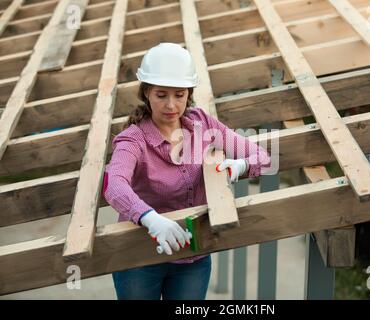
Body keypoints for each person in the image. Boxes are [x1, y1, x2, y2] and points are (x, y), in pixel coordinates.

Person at [102, 42, 271, 300]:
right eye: (161, 95)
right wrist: (150, 219)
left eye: (179, 95)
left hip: (193, 258)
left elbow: (263, 156)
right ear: (146, 92)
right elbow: (115, 186)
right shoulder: (132, 140)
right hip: (139, 257)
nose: (171, 105)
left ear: (189, 93)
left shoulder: (202, 124)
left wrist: (242, 165)